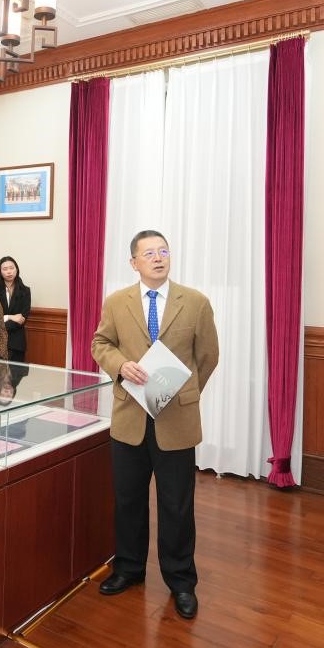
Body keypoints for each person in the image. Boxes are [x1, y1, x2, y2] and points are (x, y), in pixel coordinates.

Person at [91, 230, 219, 621]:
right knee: (128, 499)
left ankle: (181, 582)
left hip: (176, 420)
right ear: (134, 263)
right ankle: (129, 568)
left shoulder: (195, 303)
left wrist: (181, 392)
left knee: (176, 504)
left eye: (163, 251)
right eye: (149, 253)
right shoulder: (117, 302)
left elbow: (207, 356)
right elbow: (100, 344)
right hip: (130, 417)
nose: (158, 257)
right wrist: (120, 366)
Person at [0, 256, 31, 363]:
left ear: (16, 269)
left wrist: (1, 323)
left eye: (11, 268)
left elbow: (22, 319)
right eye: (5, 269)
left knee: (18, 373)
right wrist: (10, 317)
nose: (9, 271)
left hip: (17, 343)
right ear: (0, 272)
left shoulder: (25, 291)